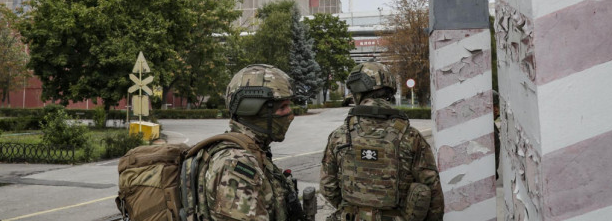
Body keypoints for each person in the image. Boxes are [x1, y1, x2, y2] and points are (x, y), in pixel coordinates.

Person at [320, 62, 444, 221]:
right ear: (389, 91)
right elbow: (433, 191)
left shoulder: (340, 135)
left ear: (357, 92)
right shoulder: (411, 136)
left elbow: (327, 187)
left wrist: (354, 210)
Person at [189, 64, 304, 221]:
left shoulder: (252, 150)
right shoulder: (235, 164)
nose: (290, 115)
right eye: (283, 107)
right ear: (252, 109)